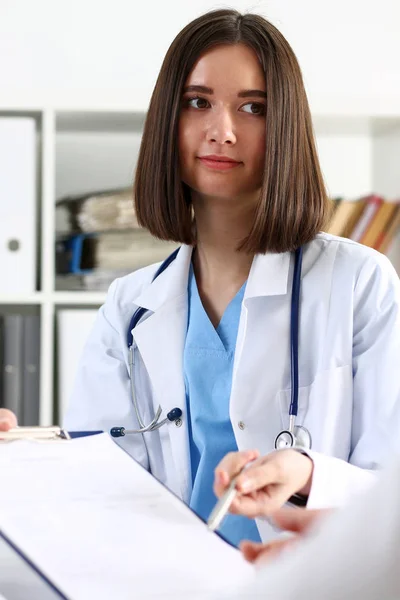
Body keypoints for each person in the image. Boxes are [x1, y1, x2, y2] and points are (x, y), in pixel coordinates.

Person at [1, 9, 399, 549]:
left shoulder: (359, 284)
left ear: (285, 126)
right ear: (169, 117)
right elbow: (98, 491)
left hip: (302, 579)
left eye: (253, 108)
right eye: (198, 102)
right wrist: (21, 456)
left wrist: (307, 474)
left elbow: (389, 490)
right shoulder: (130, 306)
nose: (222, 131)